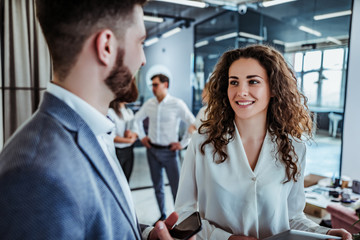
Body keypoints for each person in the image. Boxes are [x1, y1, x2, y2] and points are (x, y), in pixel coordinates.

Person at [0, 1, 187, 239]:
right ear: (106, 47)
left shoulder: (95, 130)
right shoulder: (34, 176)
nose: (143, 60)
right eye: (140, 43)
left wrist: (149, 235)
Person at [174, 44, 352, 240]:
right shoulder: (203, 142)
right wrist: (226, 238)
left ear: (274, 89)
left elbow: (292, 217)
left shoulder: (294, 147)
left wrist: (324, 232)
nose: (241, 91)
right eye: (234, 82)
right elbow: (184, 214)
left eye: (253, 82)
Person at [135, 73, 196, 223]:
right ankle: (162, 215)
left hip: (170, 152)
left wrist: (182, 144)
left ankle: (180, 218)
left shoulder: (177, 103)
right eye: (152, 85)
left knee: (177, 188)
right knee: (158, 186)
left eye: (156, 85)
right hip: (152, 151)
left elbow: (193, 124)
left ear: (165, 85)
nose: (153, 88)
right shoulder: (149, 103)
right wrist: (142, 136)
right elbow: (136, 120)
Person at [108, 97, 139, 182]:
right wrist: (129, 140)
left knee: (126, 179)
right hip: (118, 151)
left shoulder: (129, 112)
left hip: (129, 150)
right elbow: (111, 137)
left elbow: (136, 130)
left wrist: (132, 135)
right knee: (117, 180)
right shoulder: (110, 112)